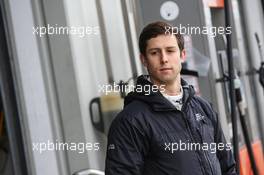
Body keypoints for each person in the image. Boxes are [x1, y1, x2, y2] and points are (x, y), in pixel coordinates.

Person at [105, 21, 237, 175]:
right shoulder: (130, 121)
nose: (164, 59)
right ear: (143, 59)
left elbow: (228, 167)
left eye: (170, 50)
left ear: (182, 55)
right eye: (154, 52)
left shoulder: (203, 108)